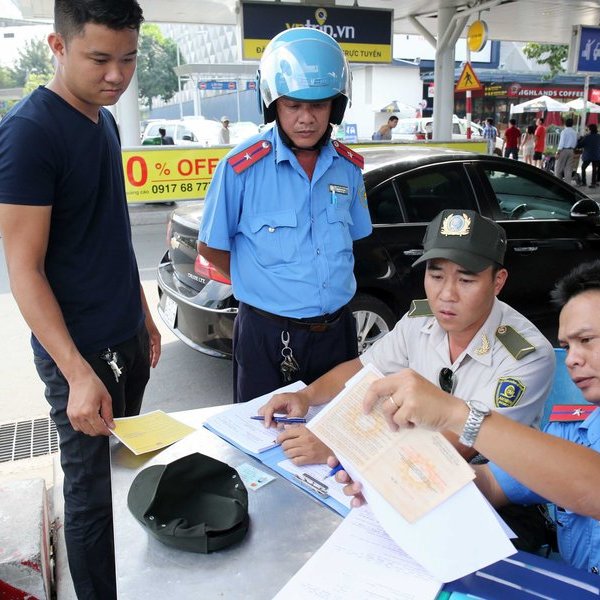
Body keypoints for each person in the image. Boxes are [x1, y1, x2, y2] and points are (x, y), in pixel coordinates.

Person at [0, 1, 161, 598]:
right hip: (79, 354)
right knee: (89, 494)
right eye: (99, 59)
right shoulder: (29, 133)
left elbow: (111, 232)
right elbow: (24, 270)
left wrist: (143, 313)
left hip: (125, 337)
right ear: (58, 46)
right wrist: (76, 373)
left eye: (128, 59)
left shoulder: (104, 119)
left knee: (125, 472)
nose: (117, 75)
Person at [338, 259, 600, 574]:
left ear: (497, 281)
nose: (572, 359)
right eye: (567, 346)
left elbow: (592, 487)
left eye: (586, 340)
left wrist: (457, 414)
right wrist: (389, 484)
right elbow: (489, 483)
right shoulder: (572, 431)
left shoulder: (524, 351)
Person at [260, 209, 554, 468]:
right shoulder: (421, 321)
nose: (447, 295)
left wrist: (341, 447)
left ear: (498, 281)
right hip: (406, 459)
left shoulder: (526, 355)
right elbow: (362, 368)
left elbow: (460, 445)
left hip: (488, 486)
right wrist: (305, 396)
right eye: (436, 276)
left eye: (466, 280)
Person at [197, 27, 372, 404]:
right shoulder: (239, 169)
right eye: (293, 105)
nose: (306, 118)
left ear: (336, 107)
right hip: (267, 338)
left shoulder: (348, 169)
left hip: (337, 336)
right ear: (272, 103)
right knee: (261, 443)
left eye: (318, 105)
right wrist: (263, 284)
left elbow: (354, 240)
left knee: (335, 441)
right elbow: (210, 248)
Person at [577, 123, 600, 188]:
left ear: (590, 130)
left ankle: (584, 182)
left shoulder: (587, 137)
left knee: (583, 168)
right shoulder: (599, 136)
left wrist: (580, 140)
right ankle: (593, 183)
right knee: (594, 169)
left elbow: (579, 145)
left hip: (588, 156)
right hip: (597, 155)